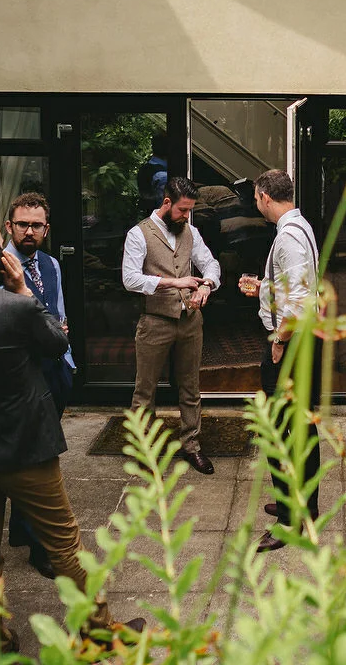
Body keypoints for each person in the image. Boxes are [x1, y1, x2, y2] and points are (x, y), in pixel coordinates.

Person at [0, 217, 140, 651]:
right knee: (65, 545)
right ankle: (99, 634)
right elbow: (57, 344)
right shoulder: (16, 307)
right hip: (26, 450)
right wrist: (21, 289)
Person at [238, 169, 322, 553]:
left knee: (281, 431)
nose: (256, 204)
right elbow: (293, 286)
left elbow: (300, 301)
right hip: (301, 341)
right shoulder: (300, 226)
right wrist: (264, 289)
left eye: (256, 199)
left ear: (264, 197)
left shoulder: (287, 237)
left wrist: (279, 342)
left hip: (289, 344)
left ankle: (289, 519)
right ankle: (307, 506)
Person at [121, 176, 221, 475]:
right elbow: (130, 279)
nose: (186, 216)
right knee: (145, 391)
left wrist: (208, 286)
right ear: (167, 203)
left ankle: (192, 447)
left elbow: (211, 264)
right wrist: (173, 282)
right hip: (154, 322)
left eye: (190, 210)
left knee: (191, 388)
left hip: (190, 322)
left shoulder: (192, 231)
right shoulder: (139, 234)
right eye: (182, 210)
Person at [1, 192, 75, 578]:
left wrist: (68, 362)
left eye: (37, 225)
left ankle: (19, 530)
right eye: (23, 224)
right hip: (20, 376)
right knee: (36, 460)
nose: (29, 232)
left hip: (54, 369)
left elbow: (58, 313)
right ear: (9, 226)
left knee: (39, 451)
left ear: (46, 229)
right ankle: (38, 544)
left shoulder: (50, 264)